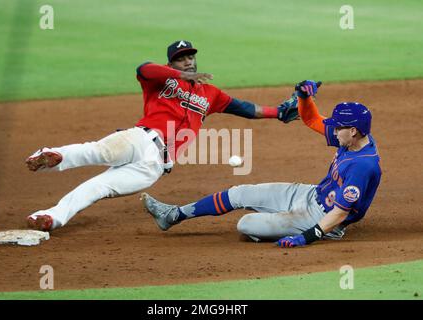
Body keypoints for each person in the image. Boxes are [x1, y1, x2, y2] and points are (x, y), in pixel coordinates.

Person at [25, 40, 299, 231]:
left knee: (99, 188)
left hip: (154, 167)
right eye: (181, 58)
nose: (188, 61)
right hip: (140, 138)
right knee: (100, 151)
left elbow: (246, 108)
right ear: (172, 62)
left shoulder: (211, 93)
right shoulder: (161, 79)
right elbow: (143, 68)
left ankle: (51, 217)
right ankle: (54, 155)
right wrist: (177, 75)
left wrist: (279, 112)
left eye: (190, 56)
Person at [141, 80, 382, 247]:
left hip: (322, 218)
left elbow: (341, 213)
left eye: (338, 126)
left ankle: (288, 224)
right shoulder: (351, 139)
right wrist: (304, 96)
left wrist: (308, 236)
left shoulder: (363, 166)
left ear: (353, 130)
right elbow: (310, 119)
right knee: (239, 193)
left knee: (246, 225)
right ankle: (173, 215)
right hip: (311, 193)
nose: (333, 129)